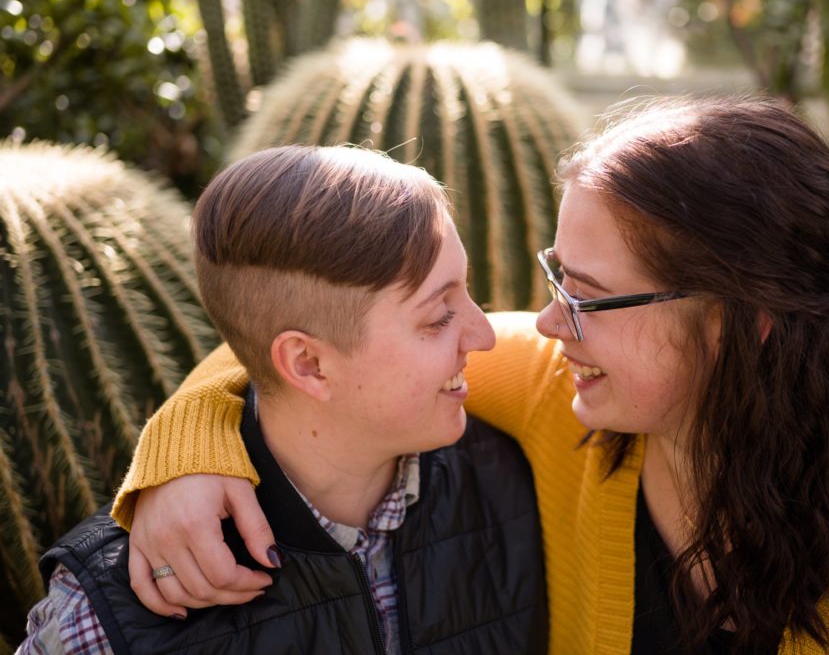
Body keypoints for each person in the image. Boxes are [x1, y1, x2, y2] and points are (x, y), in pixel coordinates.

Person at [105, 97, 829, 653]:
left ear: (746, 321)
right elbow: (309, 344)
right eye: (556, 277)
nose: (544, 323)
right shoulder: (565, 395)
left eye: (584, 293)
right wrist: (187, 451)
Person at [17, 145, 548, 654]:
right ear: (308, 365)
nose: (484, 335)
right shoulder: (102, 616)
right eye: (438, 316)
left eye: (467, 290)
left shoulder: (521, 486)